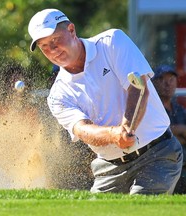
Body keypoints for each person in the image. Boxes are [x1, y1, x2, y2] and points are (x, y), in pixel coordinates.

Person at [28, 8, 183, 194]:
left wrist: (127, 128)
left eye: (55, 40)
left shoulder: (112, 41)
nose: (52, 50)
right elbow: (82, 129)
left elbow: (139, 87)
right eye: (44, 46)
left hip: (158, 153)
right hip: (108, 168)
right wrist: (114, 134)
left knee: (139, 209)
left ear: (71, 30)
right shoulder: (57, 94)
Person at [152, 64, 186, 194]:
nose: (168, 84)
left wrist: (174, 132)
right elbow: (158, 136)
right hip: (163, 164)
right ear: (154, 83)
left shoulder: (179, 109)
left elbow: (167, 135)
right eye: (162, 80)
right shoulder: (151, 108)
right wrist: (181, 130)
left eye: (171, 80)